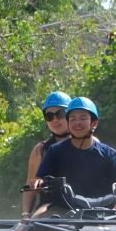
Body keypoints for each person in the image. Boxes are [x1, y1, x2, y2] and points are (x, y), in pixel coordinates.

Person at [31, 96, 116, 216]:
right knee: (36, 220)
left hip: (103, 212)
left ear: (94, 123)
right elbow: (40, 179)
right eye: (72, 118)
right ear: (68, 123)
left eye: (83, 118)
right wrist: (38, 183)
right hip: (61, 210)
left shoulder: (111, 155)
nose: (77, 122)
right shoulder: (55, 151)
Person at [21, 91, 71, 219]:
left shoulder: (91, 143)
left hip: (86, 204)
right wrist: (26, 214)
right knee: (36, 222)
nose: (55, 120)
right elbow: (30, 185)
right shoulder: (41, 150)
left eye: (60, 114)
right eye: (49, 116)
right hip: (52, 205)